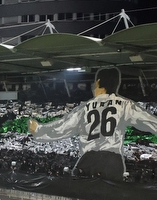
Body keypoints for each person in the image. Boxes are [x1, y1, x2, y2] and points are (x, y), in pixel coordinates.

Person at [29, 67, 157, 182]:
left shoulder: (85, 108)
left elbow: (63, 127)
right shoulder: (125, 105)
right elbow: (149, 121)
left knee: (82, 197)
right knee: (111, 199)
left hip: (89, 159)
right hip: (113, 161)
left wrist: (38, 130)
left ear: (98, 82)